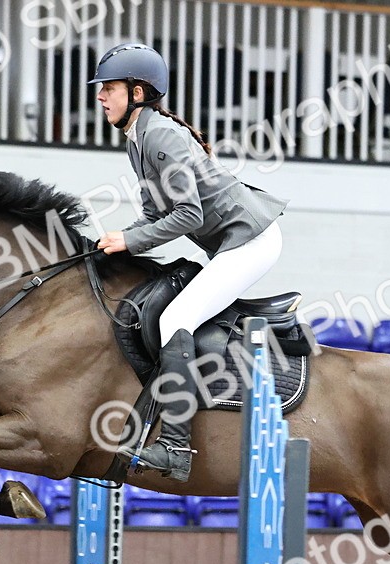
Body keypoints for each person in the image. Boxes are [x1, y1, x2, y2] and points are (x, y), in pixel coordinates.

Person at [89, 42, 289, 483]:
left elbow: (188, 215)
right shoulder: (139, 138)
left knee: (176, 317)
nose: (100, 96)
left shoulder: (160, 135)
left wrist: (130, 240)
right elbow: (154, 213)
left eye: (109, 88)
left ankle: (176, 446)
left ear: (137, 93)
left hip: (251, 240)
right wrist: (115, 243)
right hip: (233, 241)